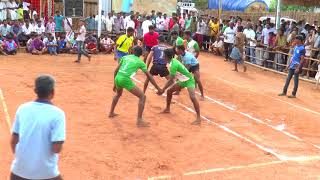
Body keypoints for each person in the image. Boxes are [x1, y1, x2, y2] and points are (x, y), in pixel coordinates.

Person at [10, 75, 65, 180]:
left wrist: (22, 159)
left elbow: (13, 140)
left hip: (18, 172)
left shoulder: (22, 109)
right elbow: (56, 148)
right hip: (46, 174)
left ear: (35, 90)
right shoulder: (58, 114)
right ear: (53, 92)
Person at [109, 46, 162, 127]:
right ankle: (139, 120)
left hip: (118, 77)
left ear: (133, 51)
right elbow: (149, 76)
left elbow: (116, 70)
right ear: (141, 54)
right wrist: (158, 88)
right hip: (125, 79)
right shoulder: (140, 62)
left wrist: (114, 84)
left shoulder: (125, 57)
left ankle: (111, 112)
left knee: (118, 94)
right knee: (142, 97)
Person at [158, 48, 201, 125]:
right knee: (169, 91)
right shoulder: (171, 62)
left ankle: (198, 118)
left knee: (192, 97)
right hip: (182, 80)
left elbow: (171, 80)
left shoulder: (173, 64)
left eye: (164, 55)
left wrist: (162, 89)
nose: (163, 57)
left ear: (167, 57)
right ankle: (167, 109)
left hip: (189, 80)